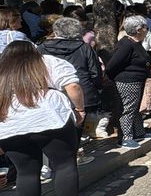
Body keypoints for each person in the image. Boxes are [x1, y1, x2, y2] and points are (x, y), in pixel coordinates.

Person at [0, 40, 100, 196]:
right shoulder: (47, 62)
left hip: (10, 127)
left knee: (25, 171)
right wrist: (79, 109)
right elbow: (73, 87)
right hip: (49, 119)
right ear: (34, 50)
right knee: (64, 164)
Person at [38, 17, 103, 162]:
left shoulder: (42, 47)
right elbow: (95, 72)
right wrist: (97, 88)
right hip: (80, 91)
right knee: (76, 128)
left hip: (50, 92)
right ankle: (72, 158)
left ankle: (54, 160)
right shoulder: (84, 47)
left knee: (53, 127)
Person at [106, 16, 151, 149]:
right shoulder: (126, 45)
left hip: (137, 81)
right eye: (145, 28)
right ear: (138, 30)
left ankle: (138, 133)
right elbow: (111, 66)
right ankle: (125, 137)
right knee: (128, 109)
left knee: (136, 109)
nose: (146, 30)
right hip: (127, 82)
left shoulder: (135, 43)